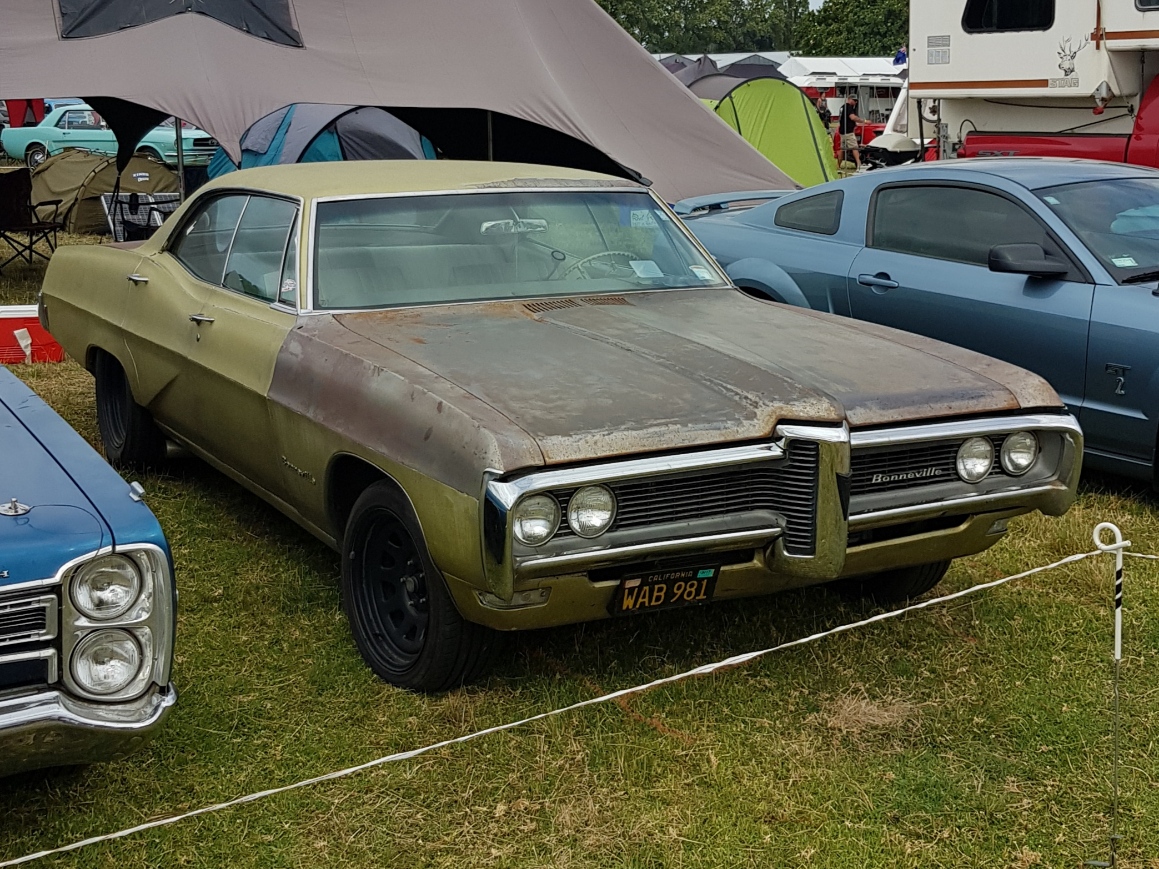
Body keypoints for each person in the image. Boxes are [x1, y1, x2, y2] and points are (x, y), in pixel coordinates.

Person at [838, 94, 864, 170]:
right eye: (854, 100)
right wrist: (864, 121)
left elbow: (844, 118)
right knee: (855, 147)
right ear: (850, 99)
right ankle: (859, 164)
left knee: (842, 149)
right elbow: (852, 117)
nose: (855, 102)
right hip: (848, 132)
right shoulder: (848, 107)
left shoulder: (842, 107)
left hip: (842, 132)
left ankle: (838, 166)